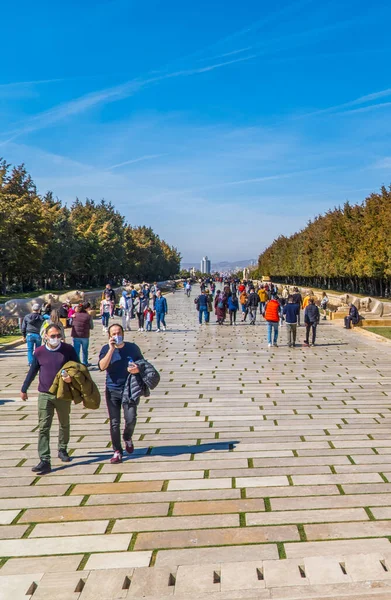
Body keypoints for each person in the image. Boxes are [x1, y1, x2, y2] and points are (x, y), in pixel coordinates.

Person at [20, 324, 79, 474]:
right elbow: (33, 370)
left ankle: (62, 449)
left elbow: (79, 368)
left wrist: (71, 378)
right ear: (45, 336)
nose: (56, 338)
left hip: (63, 393)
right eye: (52, 336)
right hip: (45, 394)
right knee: (44, 426)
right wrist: (24, 388)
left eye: (58, 335)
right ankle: (44, 459)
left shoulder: (68, 350)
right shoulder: (39, 352)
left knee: (64, 423)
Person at [98, 323, 144, 463]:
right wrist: (111, 350)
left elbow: (142, 363)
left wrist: (137, 368)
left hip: (129, 389)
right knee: (114, 422)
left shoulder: (132, 348)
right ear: (109, 336)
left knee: (131, 419)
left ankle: (127, 437)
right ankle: (117, 450)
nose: (117, 336)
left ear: (123, 334)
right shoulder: (106, 349)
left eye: (119, 333)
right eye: (114, 334)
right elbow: (102, 366)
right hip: (112, 389)